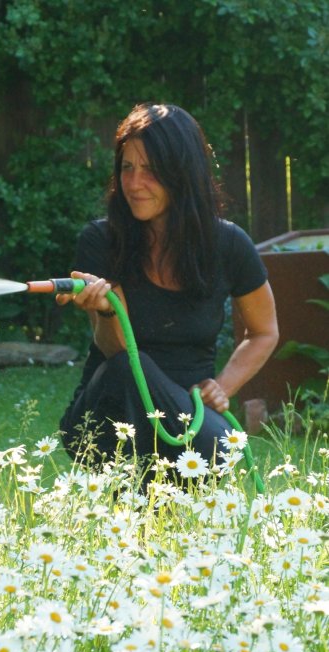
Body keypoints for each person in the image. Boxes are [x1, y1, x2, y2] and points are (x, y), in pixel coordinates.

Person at [58, 103, 279, 474]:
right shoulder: (102, 240)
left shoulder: (228, 244)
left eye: (150, 170)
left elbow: (264, 331)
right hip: (107, 418)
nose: (133, 183)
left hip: (190, 425)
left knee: (209, 443)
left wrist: (223, 387)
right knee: (132, 367)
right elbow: (118, 350)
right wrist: (107, 310)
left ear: (183, 173)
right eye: (127, 168)